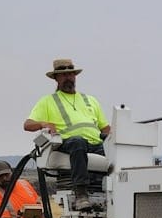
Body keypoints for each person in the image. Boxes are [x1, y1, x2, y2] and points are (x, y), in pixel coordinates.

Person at [22, 57, 110, 192]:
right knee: (78, 141)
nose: (68, 77)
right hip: (68, 144)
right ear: (56, 78)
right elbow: (28, 125)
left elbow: (105, 128)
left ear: (75, 76)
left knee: (118, 152)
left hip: (96, 144)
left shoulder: (90, 100)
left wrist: (118, 139)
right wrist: (43, 123)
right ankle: (81, 192)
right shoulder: (48, 101)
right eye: (63, 75)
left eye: (71, 74)